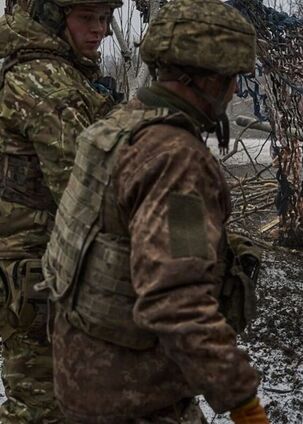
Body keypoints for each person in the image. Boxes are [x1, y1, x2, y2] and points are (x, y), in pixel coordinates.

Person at [41, 0, 269, 422]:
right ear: (205, 78)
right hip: (135, 397)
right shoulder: (175, 159)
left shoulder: (117, 126)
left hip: (82, 379)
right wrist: (246, 406)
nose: (235, 90)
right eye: (231, 78)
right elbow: (175, 300)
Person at [0, 0, 121, 421]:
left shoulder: (56, 73)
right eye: (87, 17)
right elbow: (88, 193)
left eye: (105, 18)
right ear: (52, 17)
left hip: (47, 267)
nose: (100, 29)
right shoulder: (45, 82)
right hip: (39, 273)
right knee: (43, 408)